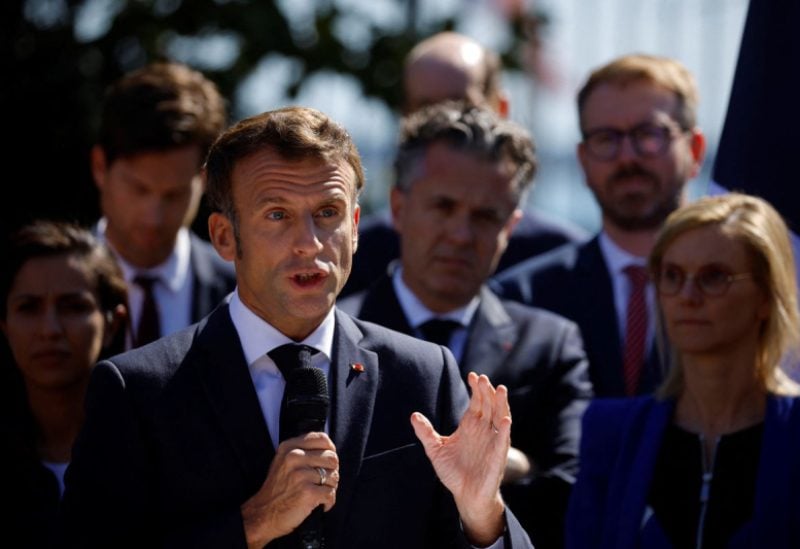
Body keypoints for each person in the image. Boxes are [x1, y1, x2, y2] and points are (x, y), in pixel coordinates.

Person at [60, 106, 534, 549]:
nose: (308, 244)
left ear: (354, 226)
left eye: (326, 213)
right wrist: (254, 522)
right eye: (277, 215)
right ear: (225, 236)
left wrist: (482, 515)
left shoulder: (423, 374)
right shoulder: (138, 391)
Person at [338, 101, 592, 548]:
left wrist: (484, 468)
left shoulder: (550, 345)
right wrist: (515, 464)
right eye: (443, 206)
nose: (460, 234)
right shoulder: (333, 335)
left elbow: (567, 494)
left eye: (485, 216)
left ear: (510, 226)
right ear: (398, 207)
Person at [566, 192, 800, 548]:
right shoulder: (611, 430)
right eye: (672, 276)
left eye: (714, 277)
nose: (687, 296)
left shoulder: (793, 428)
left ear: (766, 295)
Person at [494, 54, 707, 397]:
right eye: (606, 139)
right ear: (582, 159)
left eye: (648, 134)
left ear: (694, 149)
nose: (627, 156)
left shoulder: (741, 289)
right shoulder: (521, 300)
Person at [341, 31, 588, 297]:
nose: (446, 123)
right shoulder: (355, 258)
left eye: (461, 106)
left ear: (501, 108)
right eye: (427, 109)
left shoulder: (563, 260)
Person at [0, 220, 128, 548]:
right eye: (28, 308)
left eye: (73, 307)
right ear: (5, 325)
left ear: (113, 323)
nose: (50, 329)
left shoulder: (155, 450)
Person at [91, 60, 236, 348]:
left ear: (205, 180)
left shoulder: (244, 294)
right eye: (138, 189)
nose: (153, 217)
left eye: (175, 194)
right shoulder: (41, 292)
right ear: (99, 167)